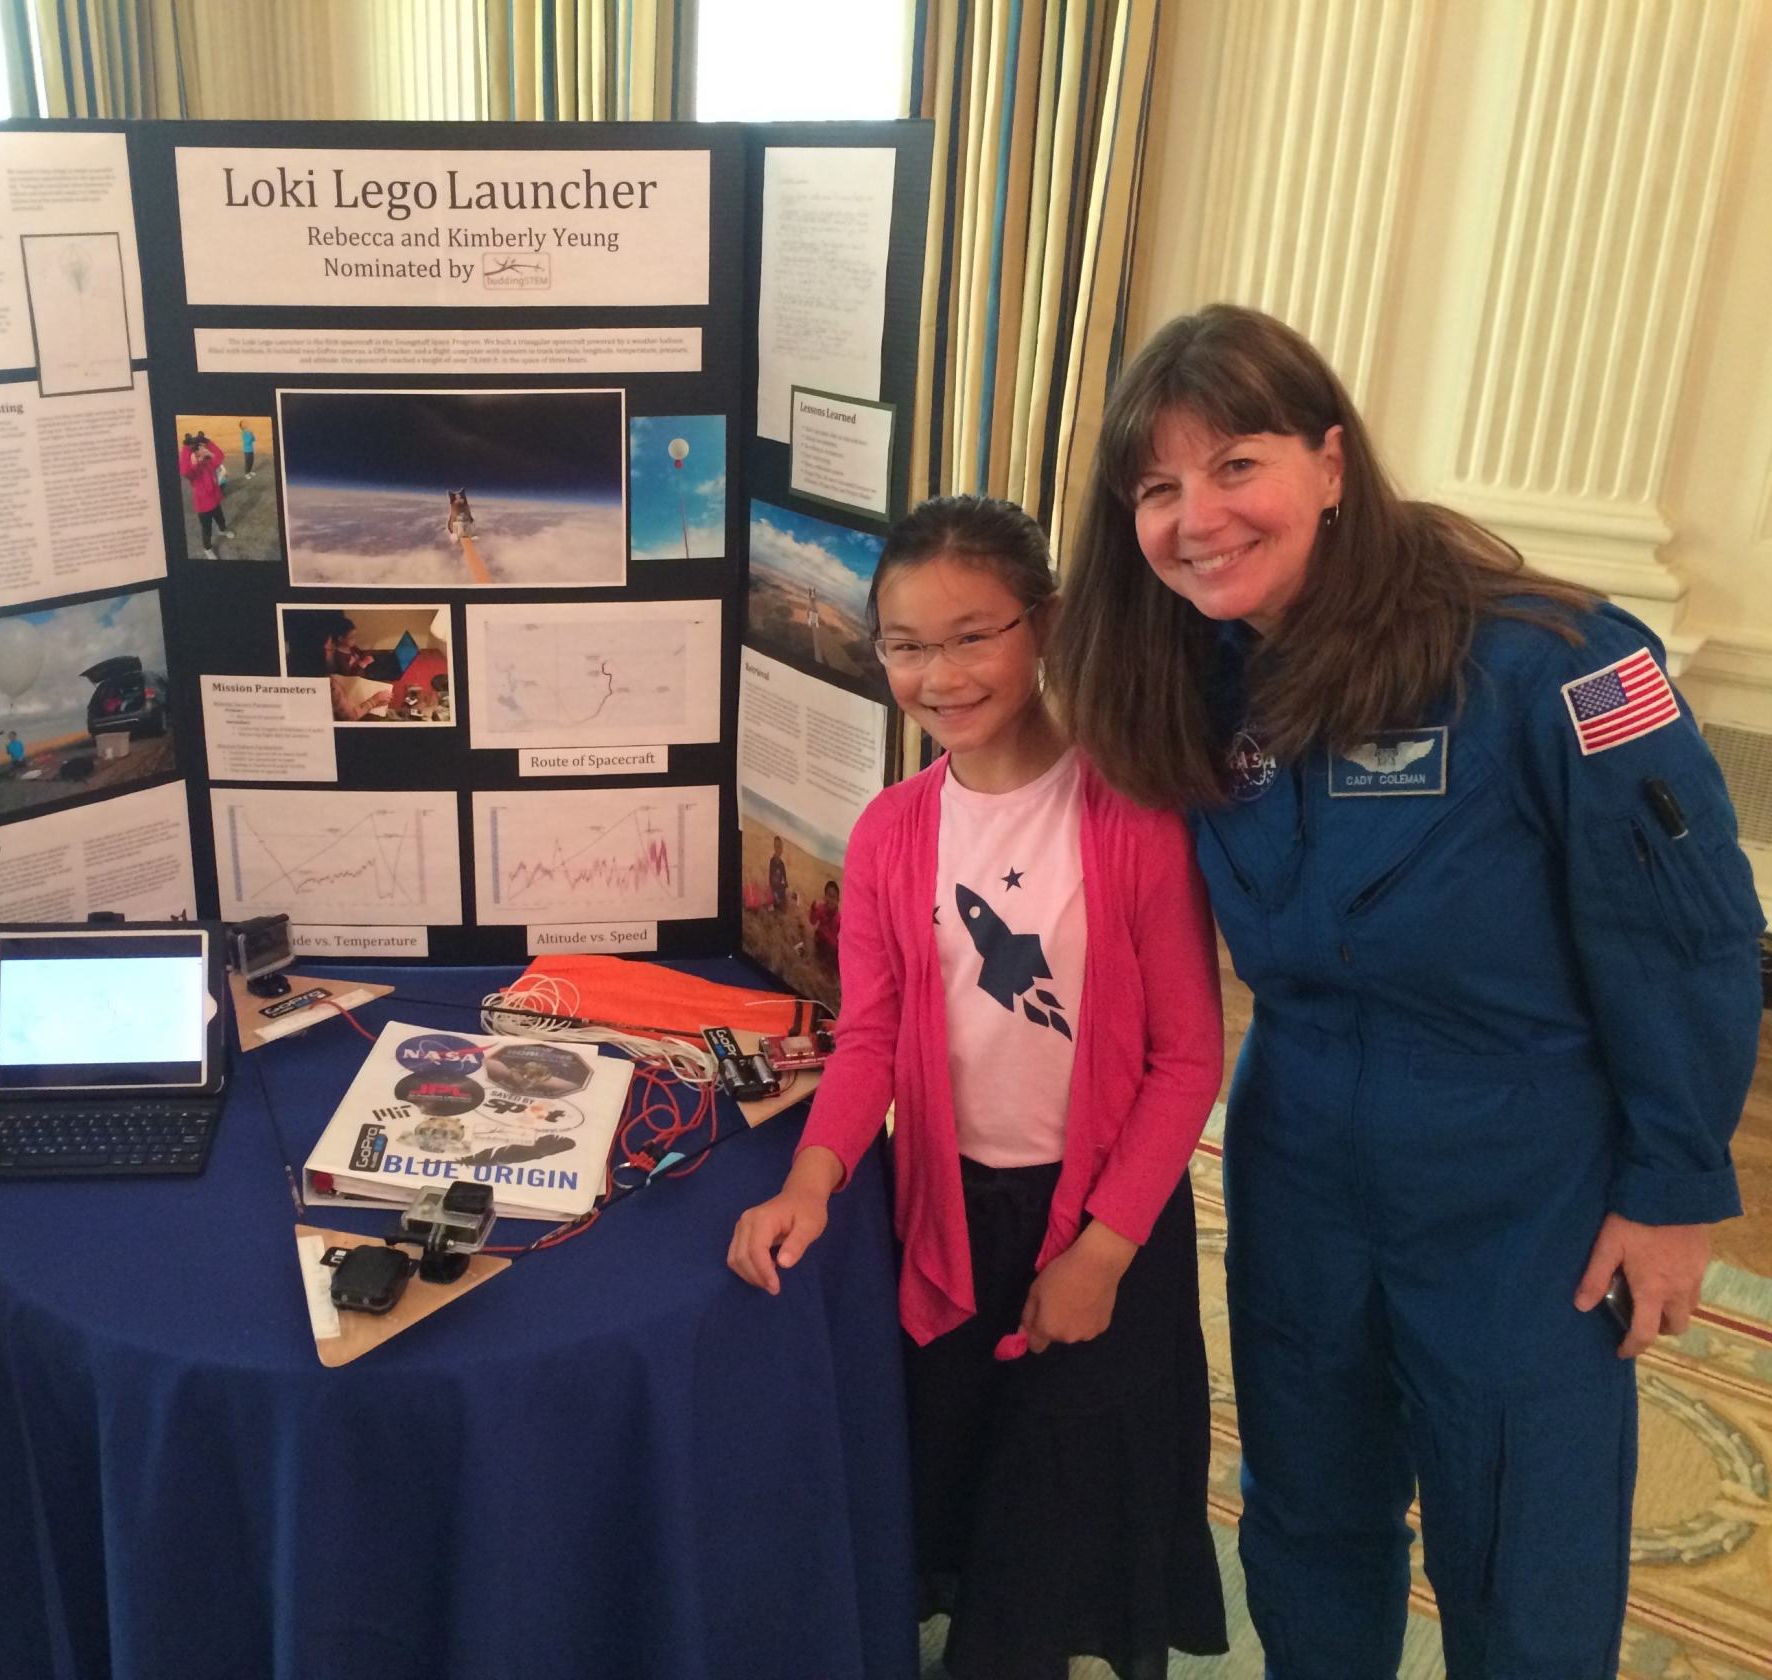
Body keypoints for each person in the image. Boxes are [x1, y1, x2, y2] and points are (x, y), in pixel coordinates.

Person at [1048, 303, 1764, 1678]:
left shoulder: (1548, 659)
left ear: (1329, 459)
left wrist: (1673, 1188)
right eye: (1155, 488)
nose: (1195, 517)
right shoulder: (1185, 673)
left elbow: (1688, 938)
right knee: (1306, 1514)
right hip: (1297, 1148)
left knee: (1522, 1547)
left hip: (1518, 1178)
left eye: (1235, 464)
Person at [729, 496, 1229, 1679]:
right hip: (947, 1214)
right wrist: (814, 1177)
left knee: (1052, 1521)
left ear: (1041, 623)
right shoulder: (891, 833)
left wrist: (1099, 1254)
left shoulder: (1132, 814)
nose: (938, 674)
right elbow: (869, 1036)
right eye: (904, 645)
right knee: (955, 1485)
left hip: (1105, 1220)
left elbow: (1185, 1060)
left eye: (971, 635)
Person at [180, 431, 230, 555]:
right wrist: (187, 448)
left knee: (220, 519)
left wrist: (208, 444)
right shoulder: (193, 472)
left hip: (215, 501)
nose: (202, 450)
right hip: (203, 507)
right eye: (198, 450)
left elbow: (220, 456)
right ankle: (207, 549)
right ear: (194, 455)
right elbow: (184, 470)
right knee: (206, 529)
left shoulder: (209, 463)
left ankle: (223, 530)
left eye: (203, 447)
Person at [808, 877, 842, 967]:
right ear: (824, 896)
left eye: (834, 897)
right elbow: (813, 922)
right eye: (829, 895)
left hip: (832, 945)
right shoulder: (821, 908)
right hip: (821, 939)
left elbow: (842, 936)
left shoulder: (839, 917)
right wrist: (813, 911)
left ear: (838, 900)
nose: (831, 900)